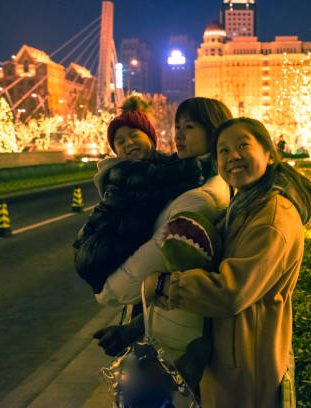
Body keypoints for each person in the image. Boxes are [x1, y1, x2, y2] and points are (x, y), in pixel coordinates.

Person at [143, 117, 311, 408]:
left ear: (268, 154)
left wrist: (165, 285)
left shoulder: (271, 217)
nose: (233, 157)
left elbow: (230, 292)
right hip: (234, 356)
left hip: (247, 367)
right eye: (224, 151)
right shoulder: (246, 204)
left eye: (243, 145)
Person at [92, 98, 233, 393]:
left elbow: (162, 257)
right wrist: (131, 329)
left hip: (176, 342)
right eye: (177, 127)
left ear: (213, 131)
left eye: (190, 127)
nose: (179, 135)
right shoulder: (188, 180)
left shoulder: (202, 196)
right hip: (165, 326)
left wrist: (111, 292)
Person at [73, 96, 205, 298]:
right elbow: (162, 186)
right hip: (99, 251)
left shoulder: (158, 166)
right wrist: (198, 165)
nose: (129, 143)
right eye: (120, 142)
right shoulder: (126, 173)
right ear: (116, 151)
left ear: (150, 138)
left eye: (134, 136)